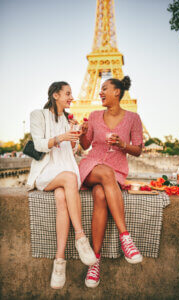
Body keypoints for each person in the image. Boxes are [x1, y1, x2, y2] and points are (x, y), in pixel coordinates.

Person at [27, 81, 97, 289]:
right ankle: (81, 237)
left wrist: (78, 135)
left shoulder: (69, 119)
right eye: (67, 93)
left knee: (61, 198)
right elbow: (39, 143)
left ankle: (59, 261)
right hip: (48, 171)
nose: (71, 97)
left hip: (65, 170)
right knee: (69, 178)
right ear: (55, 95)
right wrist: (61, 137)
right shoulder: (37, 115)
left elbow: (72, 151)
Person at [79, 76, 143, 288]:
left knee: (100, 195)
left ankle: (94, 262)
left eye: (105, 88)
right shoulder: (94, 115)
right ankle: (125, 237)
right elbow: (86, 144)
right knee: (105, 174)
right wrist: (81, 133)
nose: (100, 92)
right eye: (100, 89)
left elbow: (138, 150)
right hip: (91, 166)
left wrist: (122, 144)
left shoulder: (133, 118)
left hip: (116, 169)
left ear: (117, 91)